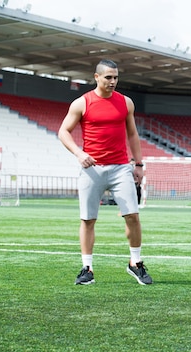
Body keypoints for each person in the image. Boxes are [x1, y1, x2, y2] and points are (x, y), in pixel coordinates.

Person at [58, 59, 153, 286]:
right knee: (88, 219)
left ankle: (135, 263)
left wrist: (138, 164)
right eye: (108, 77)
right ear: (97, 77)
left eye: (116, 77)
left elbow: (132, 135)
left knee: (132, 216)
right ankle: (87, 268)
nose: (113, 81)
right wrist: (79, 154)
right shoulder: (81, 103)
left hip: (121, 168)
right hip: (92, 169)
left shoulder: (126, 102)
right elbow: (63, 132)